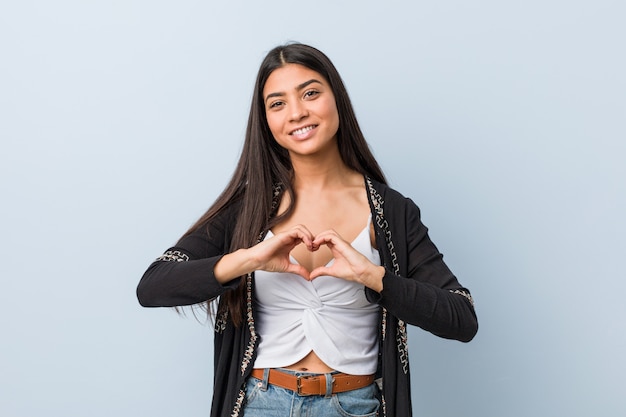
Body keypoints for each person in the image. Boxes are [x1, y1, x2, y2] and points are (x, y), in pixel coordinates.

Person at [137, 42, 478, 417]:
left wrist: (374, 277)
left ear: (337, 100)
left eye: (311, 93)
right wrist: (247, 259)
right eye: (277, 103)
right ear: (265, 120)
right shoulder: (247, 210)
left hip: (355, 405)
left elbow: (461, 317)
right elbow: (153, 285)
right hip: (259, 404)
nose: (297, 113)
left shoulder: (392, 212)